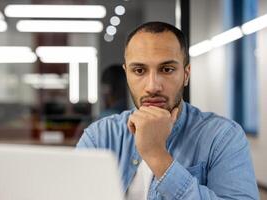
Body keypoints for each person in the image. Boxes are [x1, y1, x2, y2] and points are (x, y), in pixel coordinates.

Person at [76, 22, 259, 199]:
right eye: (139, 70)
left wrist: (157, 155)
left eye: (167, 69)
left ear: (186, 75)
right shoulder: (100, 137)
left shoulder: (222, 137)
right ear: (127, 75)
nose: (153, 86)